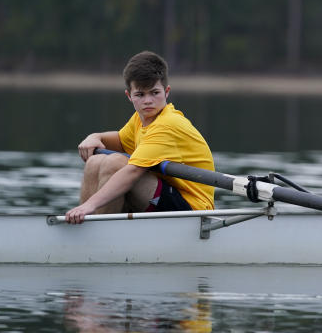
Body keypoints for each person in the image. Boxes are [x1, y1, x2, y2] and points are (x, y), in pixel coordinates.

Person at [64, 51, 215, 224]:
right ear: (129, 96)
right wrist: (94, 136)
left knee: (116, 163)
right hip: (167, 198)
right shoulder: (140, 119)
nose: (148, 101)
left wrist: (90, 204)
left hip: (194, 212)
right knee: (94, 162)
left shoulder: (168, 124)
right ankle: (88, 226)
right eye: (140, 95)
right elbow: (120, 141)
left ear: (166, 92)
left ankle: (96, 229)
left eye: (154, 93)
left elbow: (133, 171)